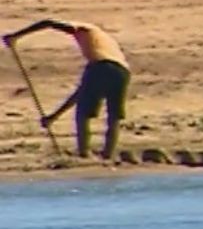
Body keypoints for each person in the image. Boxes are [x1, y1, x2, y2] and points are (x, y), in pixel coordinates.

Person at [3, 19, 130, 160]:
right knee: (114, 116)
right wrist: (53, 117)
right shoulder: (107, 43)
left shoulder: (85, 28)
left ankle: (84, 154)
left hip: (101, 66)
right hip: (123, 72)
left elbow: (48, 22)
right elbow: (80, 93)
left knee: (83, 114)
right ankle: (108, 154)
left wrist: (16, 36)